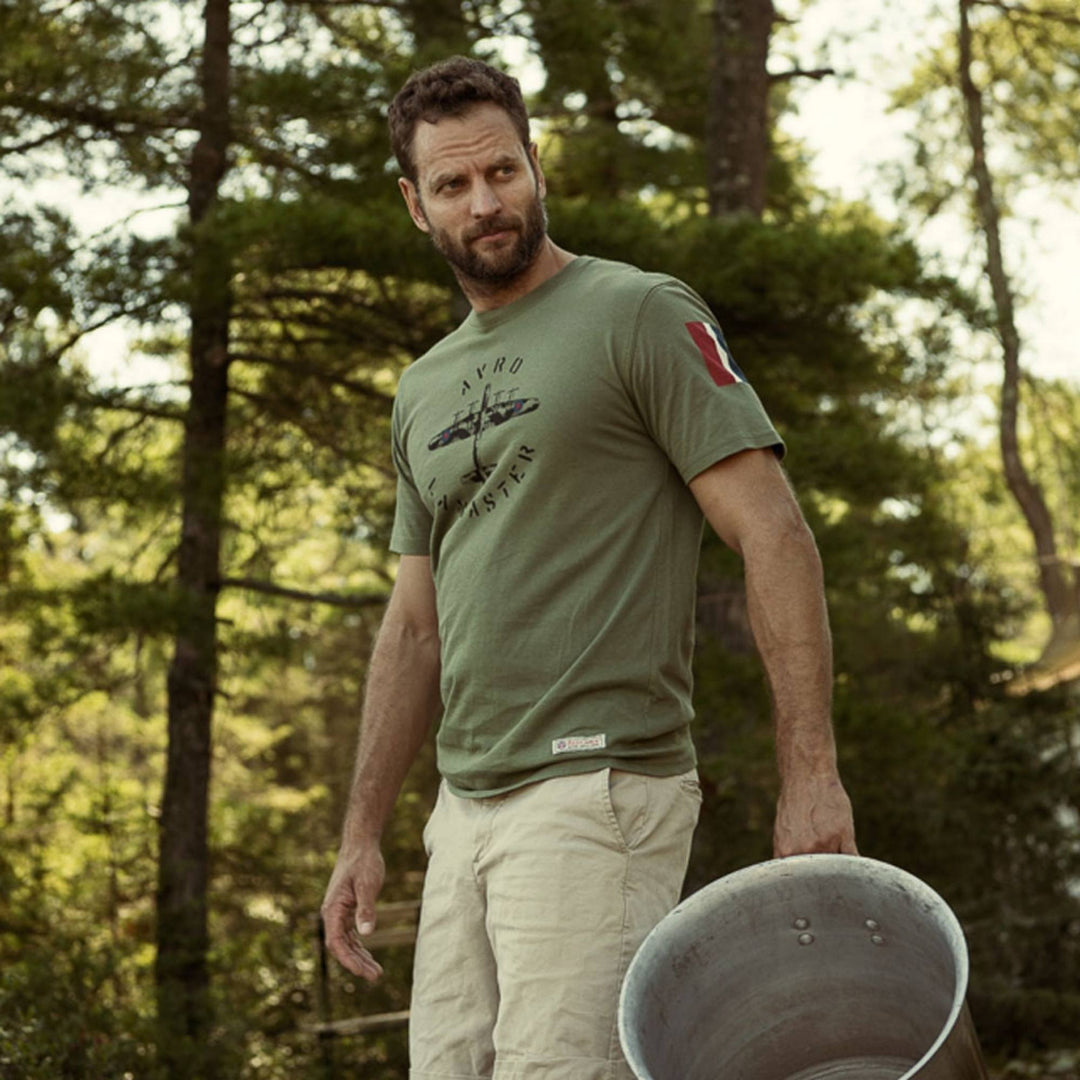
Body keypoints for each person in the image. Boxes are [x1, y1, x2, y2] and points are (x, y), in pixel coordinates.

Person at [322, 55, 857, 1080]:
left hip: (598, 788)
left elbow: (776, 535)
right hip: (464, 810)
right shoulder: (421, 389)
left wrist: (812, 774)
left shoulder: (639, 313)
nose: (486, 203)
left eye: (504, 172)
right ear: (414, 203)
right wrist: (362, 834)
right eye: (454, 186)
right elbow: (411, 628)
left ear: (535, 163)